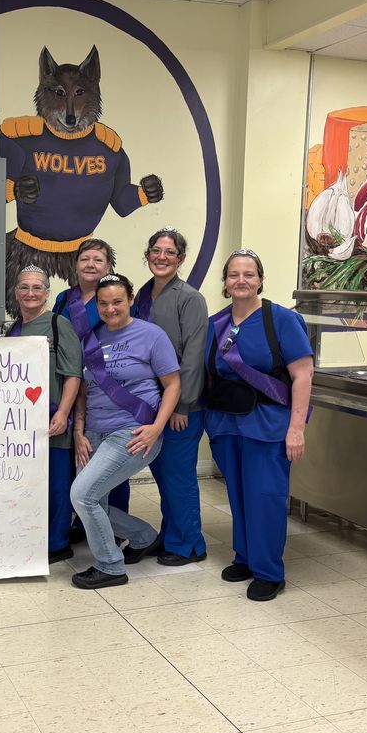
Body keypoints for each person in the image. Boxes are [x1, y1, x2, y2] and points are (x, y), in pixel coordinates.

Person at [203, 249, 314, 601]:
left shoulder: (280, 320)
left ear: (260, 280)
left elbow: (303, 375)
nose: (241, 280)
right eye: (234, 274)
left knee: (265, 497)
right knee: (237, 495)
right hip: (227, 424)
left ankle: (269, 571)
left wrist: (296, 428)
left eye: (249, 274)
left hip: (268, 425)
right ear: (225, 282)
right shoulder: (216, 324)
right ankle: (246, 558)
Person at [69, 274, 182, 589]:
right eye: (103, 303)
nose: (110, 308)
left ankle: (110, 566)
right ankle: (143, 536)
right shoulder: (90, 339)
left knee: (82, 494)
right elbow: (82, 392)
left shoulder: (151, 335)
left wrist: (156, 428)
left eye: (117, 301)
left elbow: (173, 385)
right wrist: (79, 431)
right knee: (90, 501)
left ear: (131, 300)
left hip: (133, 432)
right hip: (92, 433)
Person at [131, 228, 209, 567]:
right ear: (147, 254)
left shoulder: (189, 298)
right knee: (163, 475)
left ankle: (189, 545)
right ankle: (171, 533)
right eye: (156, 250)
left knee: (178, 476)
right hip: (152, 403)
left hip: (180, 406)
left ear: (181, 258)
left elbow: (193, 355)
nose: (162, 257)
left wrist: (182, 404)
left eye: (170, 252)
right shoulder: (143, 294)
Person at [51, 238, 132, 528]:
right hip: (70, 384)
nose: (90, 264)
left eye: (98, 259)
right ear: (75, 264)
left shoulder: (113, 300)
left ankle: (116, 526)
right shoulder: (62, 299)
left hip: (105, 387)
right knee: (78, 456)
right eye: (85, 258)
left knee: (110, 463)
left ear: (109, 267)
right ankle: (83, 522)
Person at [9, 266, 83, 563]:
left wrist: (64, 413)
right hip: (21, 425)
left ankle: (57, 542)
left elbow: (73, 374)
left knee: (56, 484)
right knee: (30, 484)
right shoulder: (13, 329)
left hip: (53, 421)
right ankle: (32, 536)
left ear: (47, 293)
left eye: (37, 287)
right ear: (16, 292)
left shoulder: (58, 324)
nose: (30, 293)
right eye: (24, 287)